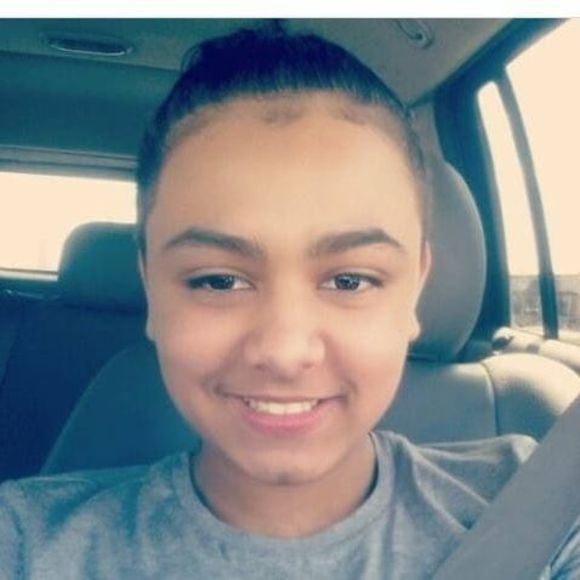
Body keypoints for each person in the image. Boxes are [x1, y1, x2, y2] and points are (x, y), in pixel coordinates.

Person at [0, 23, 578, 579]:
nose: (284, 352)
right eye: (218, 281)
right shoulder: (24, 540)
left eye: (349, 281)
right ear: (151, 287)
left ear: (415, 290)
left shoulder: (544, 507)